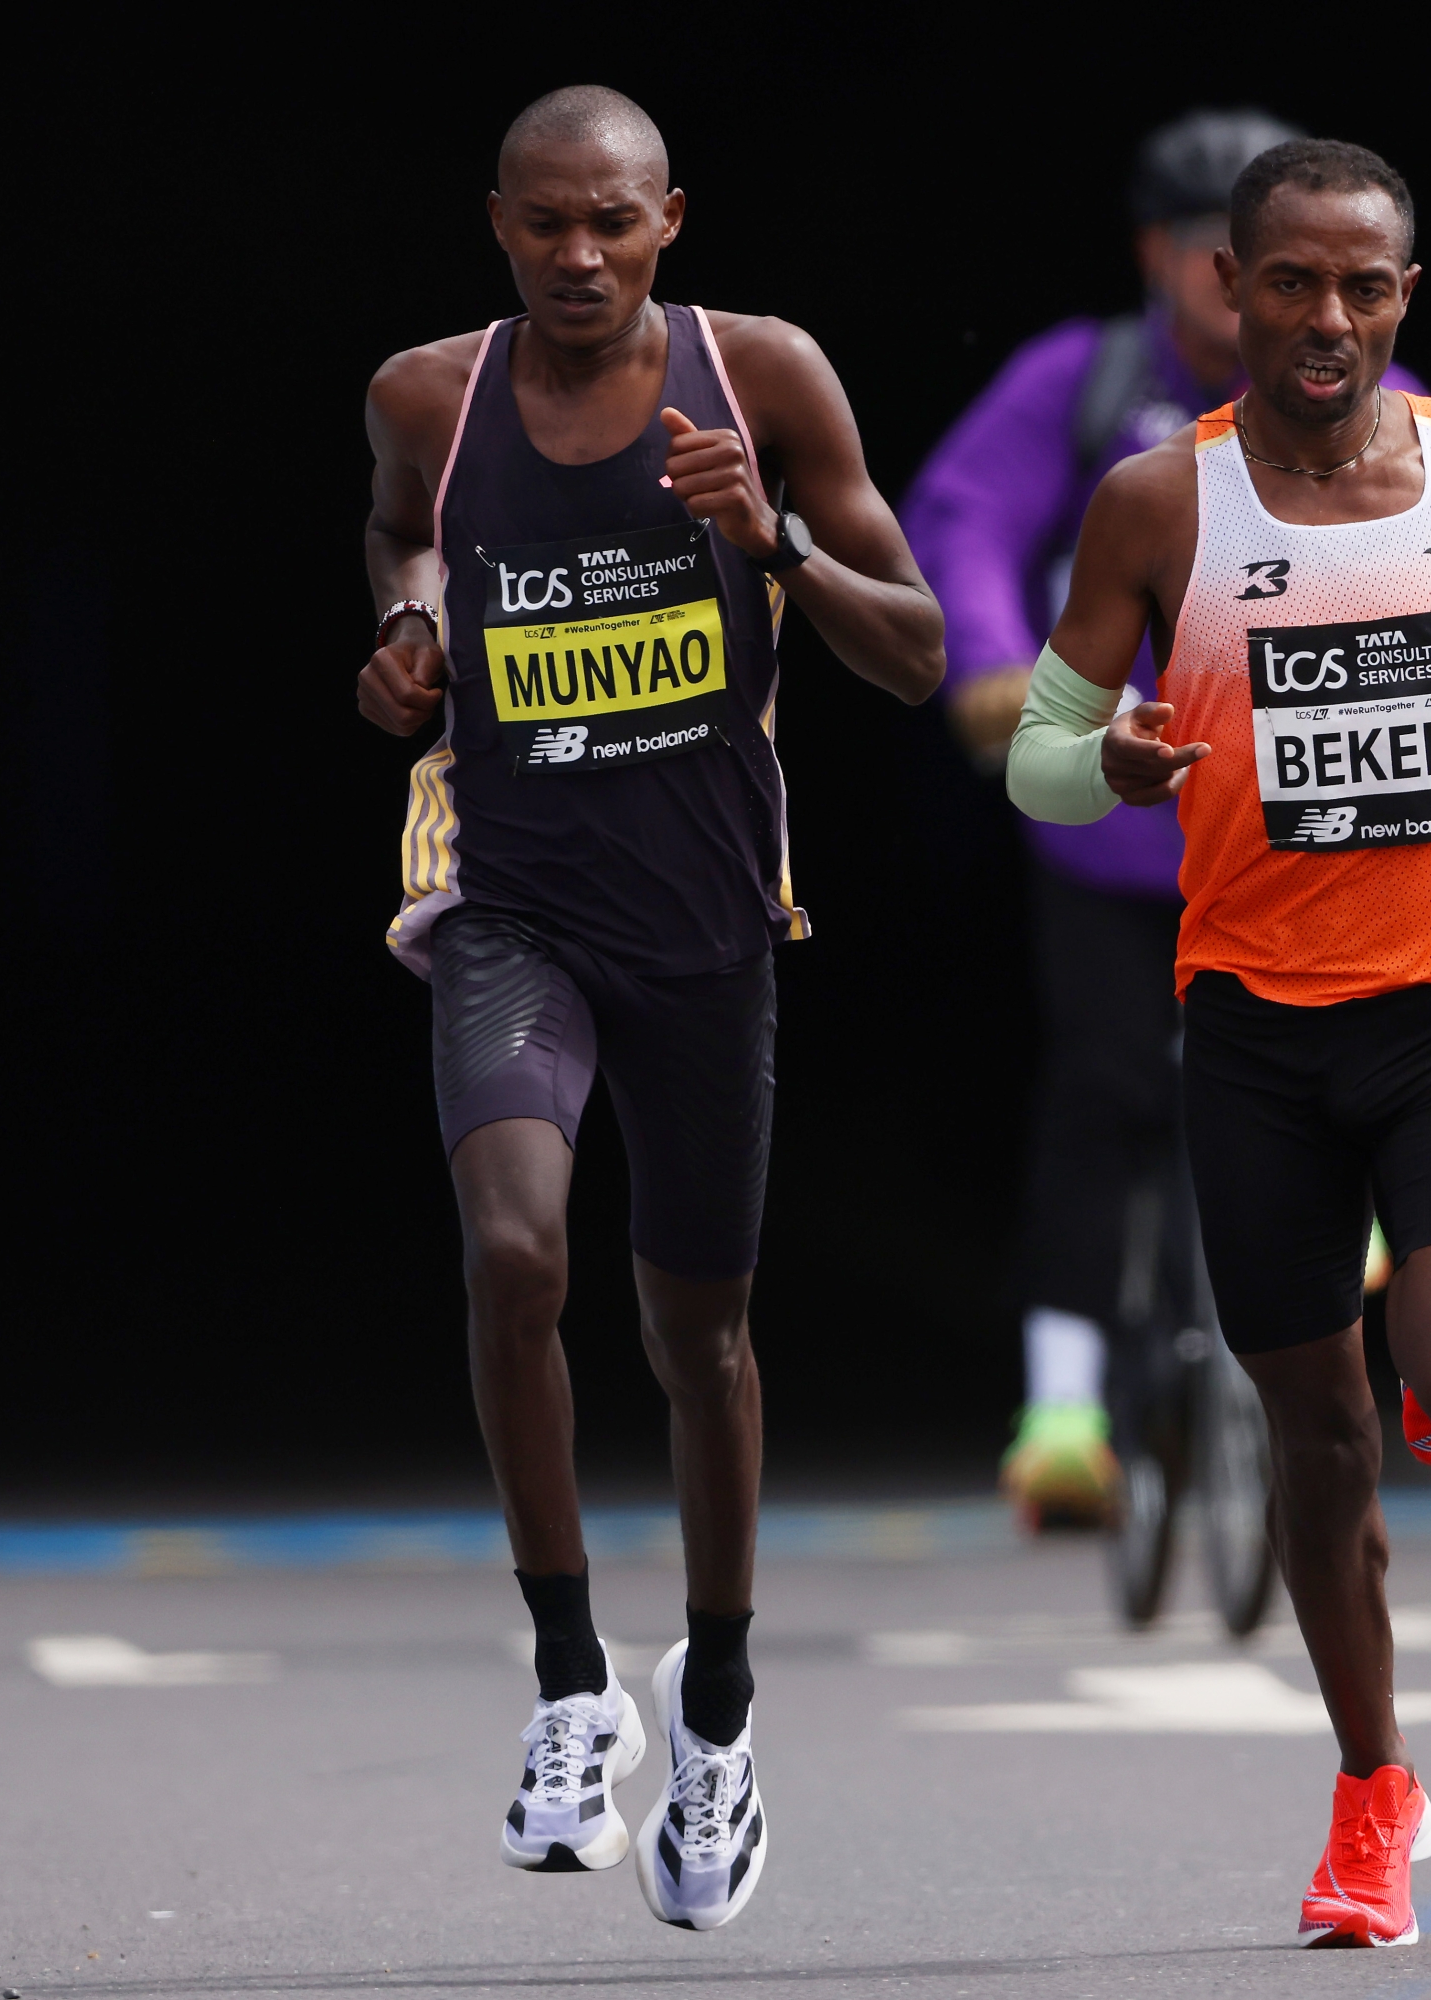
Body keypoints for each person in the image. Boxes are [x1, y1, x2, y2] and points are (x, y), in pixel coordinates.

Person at [1005, 139, 1431, 1947]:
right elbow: (1037, 759)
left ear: (1405, 300)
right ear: (1228, 285)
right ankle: (1373, 1794)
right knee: (1317, 1442)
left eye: (1363, 285)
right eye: (1289, 280)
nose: (1325, 317)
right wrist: (1103, 762)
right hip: (1256, 1041)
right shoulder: (1156, 506)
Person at [353, 85, 944, 1930]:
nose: (581, 256)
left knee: (701, 1340)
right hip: (511, 904)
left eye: (612, 221)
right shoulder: (426, 399)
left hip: (705, 924)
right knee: (513, 1253)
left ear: (668, 216)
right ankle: (563, 1685)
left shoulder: (759, 373)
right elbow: (396, 546)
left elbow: (917, 654)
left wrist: (768, 539)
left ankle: (720, 1715)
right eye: (545, 225)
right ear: (500, 224)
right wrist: (406, 638)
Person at [901, 109, 1431, 1528]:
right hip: (1121, 826)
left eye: (1346, 283)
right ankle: (1062, 1411)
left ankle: (1386, 1222)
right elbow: (963, 521)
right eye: (1247, 268)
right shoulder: (1083, 384)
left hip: (1321, 844)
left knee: (1359, 1057)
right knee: (1107, 1091)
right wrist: (999, 675)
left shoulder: (1393, 409)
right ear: (1183, 260)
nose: (1310, 310)